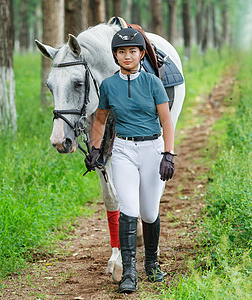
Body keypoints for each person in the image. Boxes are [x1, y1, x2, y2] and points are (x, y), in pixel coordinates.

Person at [84, 27, 176, 294]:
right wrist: (94, 148)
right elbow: (100, 119)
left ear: (141, 54)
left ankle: (151, 263)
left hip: (152, 148)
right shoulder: (109, 85)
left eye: (132, 51)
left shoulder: (153, 83)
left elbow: (166, 120)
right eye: (121, 52)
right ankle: (129, 273)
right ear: (115, 55)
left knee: (149, 212)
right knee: (128, 209)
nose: (127, 56)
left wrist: (168, 154)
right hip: (123, 150)